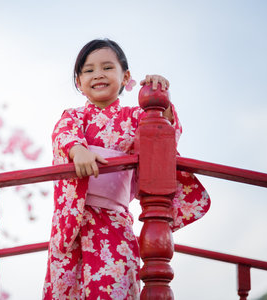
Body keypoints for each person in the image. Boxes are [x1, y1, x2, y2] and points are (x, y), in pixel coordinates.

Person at [42, 38, 210, 300]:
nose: (98, 74)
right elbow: (64, 135)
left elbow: (164, 134)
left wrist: (162, 101)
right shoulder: (73, 116)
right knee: (66, 287)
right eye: (88, 70)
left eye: (107, 67)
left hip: (114, 219)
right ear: (78, 81)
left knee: (114, 283)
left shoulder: (134, 117)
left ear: (126, 76)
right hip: (74, 221)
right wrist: (78, 150)